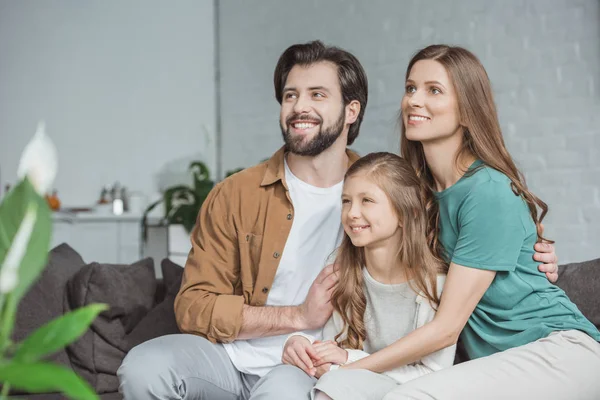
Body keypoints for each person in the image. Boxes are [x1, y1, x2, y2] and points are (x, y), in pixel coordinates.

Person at [117, 41, 559, 400]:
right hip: (229, 356)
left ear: (352, 111)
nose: (298, 107)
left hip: (313, 363)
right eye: (290, 95)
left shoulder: (389, 191)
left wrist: (535, 254)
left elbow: (472, 240)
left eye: (317, 95)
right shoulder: (236, 194)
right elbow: (193, 305)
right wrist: (296, 316)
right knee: (144, 368)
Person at [318, 44, 600, 400]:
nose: (414, 100)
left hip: (559, 350)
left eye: (433, 90)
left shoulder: (488, 192)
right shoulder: (420, 195)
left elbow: (446, 329)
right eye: (410, 88)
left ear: (468, 110)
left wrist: (351, 364)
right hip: (496, 361)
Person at [282, 152, 456, 400]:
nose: (352, 213)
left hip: (410, 392)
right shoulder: (340, 267)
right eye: (346, 201)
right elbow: (331, 347)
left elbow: (433, 373)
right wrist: (300, 343)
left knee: (334, 389)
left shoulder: (435, 283)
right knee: (282, 380)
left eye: (367, 201)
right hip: (347, 382)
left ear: (407, 213)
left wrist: (347, 361)